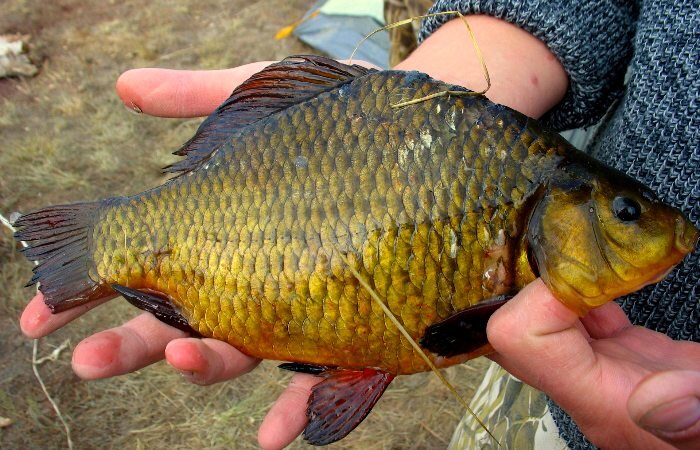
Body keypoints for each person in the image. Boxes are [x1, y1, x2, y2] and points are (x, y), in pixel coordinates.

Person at [19, 2, 699, 449]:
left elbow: (447, 333)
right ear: (555, 209)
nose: (663, 230)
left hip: (622, 379)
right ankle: (93, 244)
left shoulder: (526, 242)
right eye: (625, 215)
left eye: (625, 213)